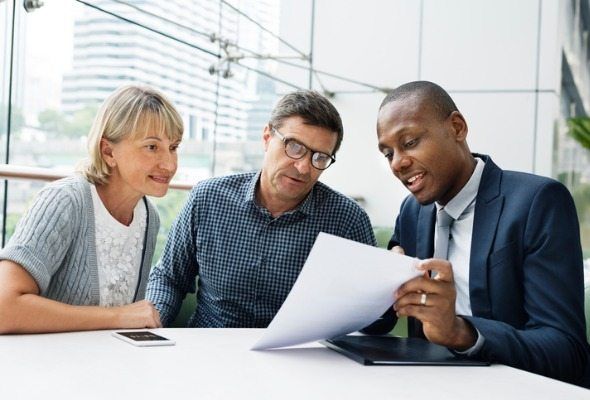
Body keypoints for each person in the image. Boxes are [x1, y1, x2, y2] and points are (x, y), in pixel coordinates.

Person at [369, 80, 589, 386]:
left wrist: (461, 332)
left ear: (457, 128)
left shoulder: (537, 202)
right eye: (387, 153)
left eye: (409, 142)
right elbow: (383, 319)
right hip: (425, 385)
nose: (398, 163)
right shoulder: (412, 211)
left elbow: (567, 350)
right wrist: (370, 286)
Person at [147, 90, 376, 328]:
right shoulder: (207, 198)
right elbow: (169, 278)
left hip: (298, 358)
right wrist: (151, 323)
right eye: (294, 147)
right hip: (210, 350)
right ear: (267, 137)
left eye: (319, 158)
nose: (303, 167)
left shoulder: (347, 220)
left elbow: (371, 315)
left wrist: (389, 292)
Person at [0, 84, 183, 334]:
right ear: (108, 151)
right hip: (45, 365)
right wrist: (117, 317)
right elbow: (4, 308)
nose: (169, 164)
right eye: (152, 147)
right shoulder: (64, 202)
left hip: (103, 364)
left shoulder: (149, 217)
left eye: (173, 147)